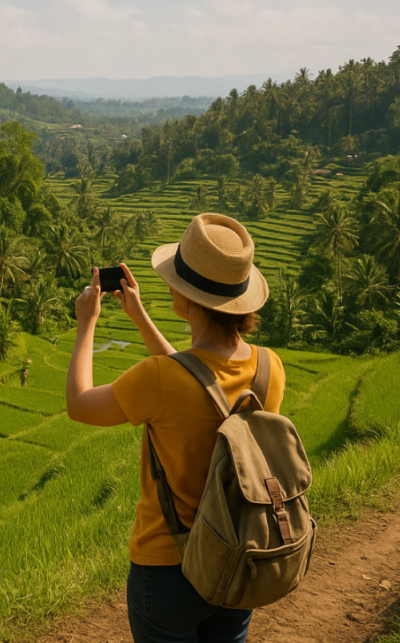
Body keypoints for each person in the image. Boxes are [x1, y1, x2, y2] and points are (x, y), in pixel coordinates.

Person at [65, 213, 286, 643]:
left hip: (169, 567)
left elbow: (79, 405)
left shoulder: (157, 379)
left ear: (185, 298)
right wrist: (140, 317)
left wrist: (86, 323)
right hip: (241, 555)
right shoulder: (268, 367)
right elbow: (203, 383)